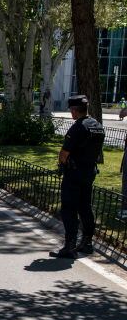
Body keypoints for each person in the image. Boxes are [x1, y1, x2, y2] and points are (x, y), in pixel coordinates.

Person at [51, 94, 104, 258]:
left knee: (69, 208)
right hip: (89, 172)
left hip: (74, 173)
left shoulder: (78, 127)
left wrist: (61, 165)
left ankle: (70, 245)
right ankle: (87, 242)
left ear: (74, 110)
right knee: (85, 207)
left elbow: (64, 153)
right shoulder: (97, 125)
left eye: (71, 110)